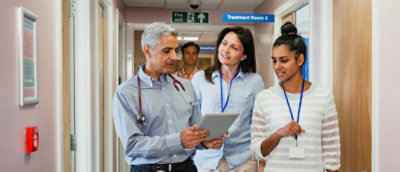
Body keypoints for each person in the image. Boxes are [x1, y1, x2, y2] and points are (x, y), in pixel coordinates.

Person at [112, 22, 226, 172]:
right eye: (167, 51)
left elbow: (194, 132)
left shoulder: (186, 87)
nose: (174, 57)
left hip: (186, 167)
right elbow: (133, 145)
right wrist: (178, 140)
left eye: (175, 50)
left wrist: (205, 142)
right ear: (147, 51)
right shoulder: (126, 92)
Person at [250, 22, 341, 172]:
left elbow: (332, 152)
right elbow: (257, 151)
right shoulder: (264, 99)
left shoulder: (323, 96)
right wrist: (279, 133)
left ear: (300, 60)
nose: (277, 66)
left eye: (284, 60)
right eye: (274, 60)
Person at [191, 26, 265, 171]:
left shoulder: (255, 81)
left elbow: (259, 124)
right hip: (206, 159)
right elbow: (191, 117)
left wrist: (262, 162)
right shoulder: (200, 78)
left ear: (244, 55)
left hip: (242, 159)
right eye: (224, 44)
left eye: (234, 47)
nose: (226, 50)